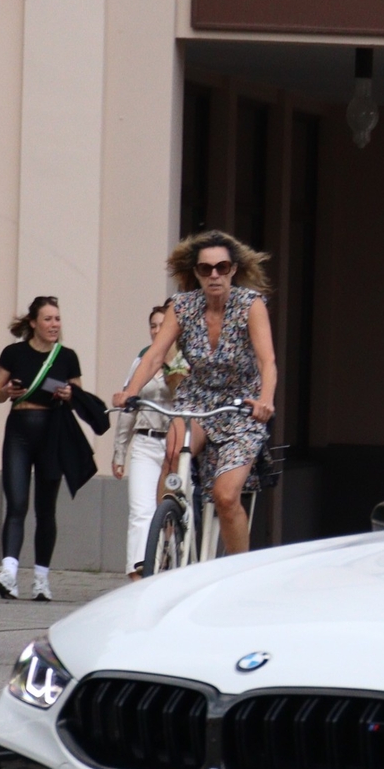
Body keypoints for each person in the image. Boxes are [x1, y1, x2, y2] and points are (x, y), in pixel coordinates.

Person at [112, 231, 278, 557]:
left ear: (233, 269)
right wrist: (129, 392)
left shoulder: (250, 305)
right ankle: (167, 535)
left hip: (241, 405)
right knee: (174, 453)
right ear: (196, 273)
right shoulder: (183, 306)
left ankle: (236, 568)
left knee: (226, 496)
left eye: (221, 267)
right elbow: (156, 355)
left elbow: (267, 360)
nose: (214, 275)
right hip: (196, 398)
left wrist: (265, 400)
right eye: (205, 269)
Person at [0, 296, 84, 600]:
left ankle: (41, 579)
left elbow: (78, 395)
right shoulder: (13, 352)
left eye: (57, 319)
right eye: (48, 319)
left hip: (52, 432)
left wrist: (69, 393)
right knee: (16, 504)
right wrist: (7, 391)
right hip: (18, 430)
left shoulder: (66, 356)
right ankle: (9, 574)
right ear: (33, 323)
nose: (54, 324)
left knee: (46, 509)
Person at [111, 303, 186, 577]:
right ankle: (137, 574)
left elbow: (186, 396)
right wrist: (120, 451)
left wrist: (170, 362)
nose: (157, 331)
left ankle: (168, 563)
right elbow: (129, 408)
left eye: (162, 325)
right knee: (141, 511)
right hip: (145, 442)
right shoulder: (142, 360)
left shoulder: (185, 358)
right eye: (153, 326)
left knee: (171, 510)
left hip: (177, 445)